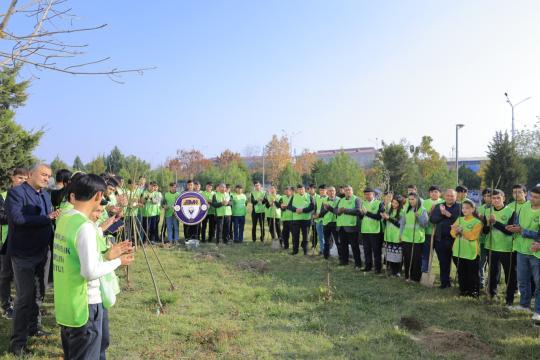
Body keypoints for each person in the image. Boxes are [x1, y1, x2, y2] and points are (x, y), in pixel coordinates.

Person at [53, 173, 134, 360]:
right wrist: (118, 262)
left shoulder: (65, 219)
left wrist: (104, 250)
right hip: (85, 306)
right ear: (98, 196)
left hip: (67, 304)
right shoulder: (85, 227)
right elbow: (90, 272)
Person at [5, 164, 60, 355]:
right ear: (30, 174)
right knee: (24, 298)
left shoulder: (45, 194)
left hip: (43, 252)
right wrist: (47, 218)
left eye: (49, 176)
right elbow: (18, 219)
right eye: (43, 175)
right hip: (23, 254)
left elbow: (49, 220)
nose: (46, 178)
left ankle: (33, 327)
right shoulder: (17, 193)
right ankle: (17, 345)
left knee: (40, 293)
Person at [506, 186, 540, 317]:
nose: (532, 199)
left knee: (538, 282)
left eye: (536, 197)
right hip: (521, 250)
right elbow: (518, 223)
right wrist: (514, 227)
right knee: (522, 280)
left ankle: (538, 311)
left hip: (536, 253)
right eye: (532, 196)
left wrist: (522, 231)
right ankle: (524, 305)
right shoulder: (525, 207)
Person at [0, 168, 28, 320]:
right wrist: (17, 215)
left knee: (21, 275)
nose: (22, 181)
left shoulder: (28, 195)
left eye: (25, 178)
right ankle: (5, 306)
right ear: (12, 178)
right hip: (5, 242)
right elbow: (1, 217)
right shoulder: (3, 196)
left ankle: (21, 305)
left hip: (23, 242)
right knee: (5, 275)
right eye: (19, 177)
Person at [483, 189, 517, 306]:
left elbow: (509, 232)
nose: (496, 200)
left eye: (498, 198)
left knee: (509, 275)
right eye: (493, 198)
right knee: (492, 273)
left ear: (504, 198)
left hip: (507, 249)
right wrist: (488, 224)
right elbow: (485, 231)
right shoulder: (487, 211)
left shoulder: (511, 211)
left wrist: (495, 222)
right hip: (491, 247)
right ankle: (491, 294)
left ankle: (509, 298)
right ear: (490, 199)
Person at [450, 200, 483, 297]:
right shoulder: (459, 219)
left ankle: (474, 291)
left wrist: (462, 231)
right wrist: (455, 231)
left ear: (473, 209)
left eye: (467, 208)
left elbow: (472, 236)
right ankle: (463, 290)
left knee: (472, 273)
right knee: (461, 272)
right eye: (463, 208)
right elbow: (452, 234)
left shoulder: (477, 222)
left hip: (471, 252)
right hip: (458, 250)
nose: (464, 210)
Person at [430, 189, 461, 288]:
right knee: (443, 262)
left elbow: (459, 219)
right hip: (441, 239)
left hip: (456, 240)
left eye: (452, 196)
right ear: (444, 196)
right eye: (447, 195)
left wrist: (448, 214)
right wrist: (442, 214)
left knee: (459, 262)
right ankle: (445, 282)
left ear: (456, 197)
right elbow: (432, 219)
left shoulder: (460, 207)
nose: (449, 197)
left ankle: (463, 283)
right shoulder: (439, 206)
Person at [331, 185, 362, 268]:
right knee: (343, 245)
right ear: (344, 192)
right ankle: (344, 261)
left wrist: (345, 210)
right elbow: (335, 210)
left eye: (349, 190)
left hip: (352, 227)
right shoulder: (341, 200)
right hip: (341, 227)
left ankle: (358, 264)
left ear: (352, 191)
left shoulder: (357, 199)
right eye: (346, 190)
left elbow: (358, 211)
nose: (348, 191)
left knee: (354, 246)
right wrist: (338, 211)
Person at [400, 192, 428, 282]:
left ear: (417, 199)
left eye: (413, 199)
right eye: (410, 199)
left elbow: (425, 224)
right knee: (407, 257)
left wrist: (418, 217)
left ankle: (415, 278)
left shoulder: (422, 210)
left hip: (417, 239)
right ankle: (407, 276)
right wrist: (400, 234)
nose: (411, 201)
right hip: (406, 238)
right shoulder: (406, 209)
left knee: (416, 259)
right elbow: (402, 223)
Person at [360, 188, 384, 273]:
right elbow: (361, 217)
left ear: (373, 194)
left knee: (376, 251)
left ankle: (378, 268)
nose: (367, 196)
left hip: (375, 231)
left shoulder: (379, 203)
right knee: (367, 250)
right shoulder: (363, 203)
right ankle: (368, 266)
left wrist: (367, 213)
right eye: (365, 194)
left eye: (368, 194)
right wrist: (361, 214)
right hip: (365, 230)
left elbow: (379, 217)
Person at [288, 184, 314, 255]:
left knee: (305, 236)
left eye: (302, 189)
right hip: (296, 219)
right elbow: (289, 206)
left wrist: (303, 210)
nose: (301, 190)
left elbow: (312, 207)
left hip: (306, 220)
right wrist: (296, 209)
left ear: (304, 189)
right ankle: (295, 251)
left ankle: (306, 251)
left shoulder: (309, 196)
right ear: (297, 190)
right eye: (299, 189)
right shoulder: (294, 196)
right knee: (295, 236)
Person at [421, 186, 443, 273]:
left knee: (441, 255)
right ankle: (424, 271)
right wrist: (430, 213)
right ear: (429, 193)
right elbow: (422, 216)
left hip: (439, 233)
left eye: (436, 191)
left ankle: (443, 274)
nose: (434, 193)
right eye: (432, 192)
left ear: (439, 193)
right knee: (425, 254)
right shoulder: (424, 202)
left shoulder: (443, 202)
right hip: (427, 232)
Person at [381, 195, 404, 276]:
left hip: (397, 236)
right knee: (390, 254)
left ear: (400, 204)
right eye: (393, 202)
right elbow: (385, 222)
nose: (394, 204)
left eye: (396, 203)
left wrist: (389, 218)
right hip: (389, 235)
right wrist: (384, 218)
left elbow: (399, 224)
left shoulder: (402, 212)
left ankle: (398, 271)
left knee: (397, 255)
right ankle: (392, 270)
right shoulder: (389, 211)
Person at [477, 188, 493, 289]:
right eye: (485, 196)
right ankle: (481, 282)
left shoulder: (496, 208)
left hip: (493, 241)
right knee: (481, 262)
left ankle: (491, 283)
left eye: (489, 196)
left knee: (493, 264)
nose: (487, 198)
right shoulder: (481, 208)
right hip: (482, 240)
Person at [319, 186, 340, 260]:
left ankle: (341, 257)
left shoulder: (339, 200)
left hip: (335, 223)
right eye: (330, 191)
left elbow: (337, 211)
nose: (332, 192)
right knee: (326, 241)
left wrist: (329, 208)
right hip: (326, 223)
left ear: (335, 192)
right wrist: (324, 210)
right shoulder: (324, 200)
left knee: (337, 241)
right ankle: (326, 256)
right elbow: (321, 212)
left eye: (333, 191)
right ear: (327, 192)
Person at [313, 185, 327, 255]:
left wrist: (319, 215)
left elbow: (325, 210)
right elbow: (315, 208)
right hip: (318, 220)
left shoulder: (328, 198)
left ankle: (326, 250)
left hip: (325, 220)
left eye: (323, 190)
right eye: (321, 190)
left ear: (326, 191)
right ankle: (322, 250)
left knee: (325, 237)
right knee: (320, 236)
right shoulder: (317, 198)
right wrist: (314, 214)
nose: (322, 191)